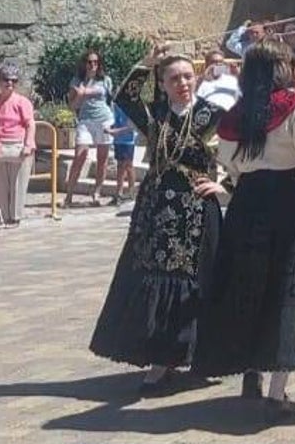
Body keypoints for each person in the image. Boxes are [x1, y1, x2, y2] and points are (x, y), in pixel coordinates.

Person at [193, 41, 295, 421]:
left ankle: (251, 373)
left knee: (251, 288)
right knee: (288, 294)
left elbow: (233, 167)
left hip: (248, 207)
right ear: (280, 69)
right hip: (291, 207)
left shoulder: (234, 117)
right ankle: (277, 392)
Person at [89, 46, 227, 392]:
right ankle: (160, 358)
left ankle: (196, 354)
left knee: (197, 280)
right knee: (156, 277)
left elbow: (242, 151)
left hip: (195, 211)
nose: (182, 83)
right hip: (156, 212)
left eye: (187, 76)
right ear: (163, 83)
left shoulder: (213, 114)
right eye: (174, 78)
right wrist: (146, 63)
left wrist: (224, 184)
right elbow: (124, 96)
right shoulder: (156, 116)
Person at [0, 61, 36, 228]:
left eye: (13, 80)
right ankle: (2, 218)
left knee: (18, 183)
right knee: (0, 184)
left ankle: (15, 217)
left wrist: (28, 144)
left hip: (19, 147)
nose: (9, 83)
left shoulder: (22, 102)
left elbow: (30, 123)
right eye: (6, 79)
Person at [65, 50, 115, 207]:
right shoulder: (77, 81)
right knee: (80, 155)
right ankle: (69, 195)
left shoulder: (105, 80)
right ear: (84, 63)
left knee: (102, 159)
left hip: (104, 120)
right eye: (89, 62)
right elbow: (72, 106)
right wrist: (80, 95)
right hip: (86, 120)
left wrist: (86, 91)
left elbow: (107, 98)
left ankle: (97, 193)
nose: (93, 65)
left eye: (96, 62)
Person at [107, 102, 138, 205]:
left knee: (127, 165)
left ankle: (129, 192)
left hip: (128, 140)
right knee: (121, 166)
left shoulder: (131, 106)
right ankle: (120, 193)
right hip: (118, 140)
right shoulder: (115, 105)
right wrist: (110, 128)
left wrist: (116, 131)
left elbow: (132, 126)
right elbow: (114, 120)